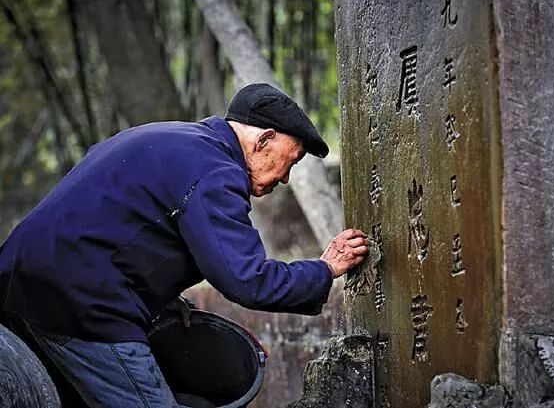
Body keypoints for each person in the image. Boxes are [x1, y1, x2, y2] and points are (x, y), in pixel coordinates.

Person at [0, 83, 369, 407]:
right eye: (290, 162)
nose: (285, 178)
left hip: (19, 280)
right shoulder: (215, 171)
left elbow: (119, 230)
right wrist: (325, 269)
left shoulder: (175, 141)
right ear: (264, 139)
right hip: (81, 301)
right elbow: (247, 279)